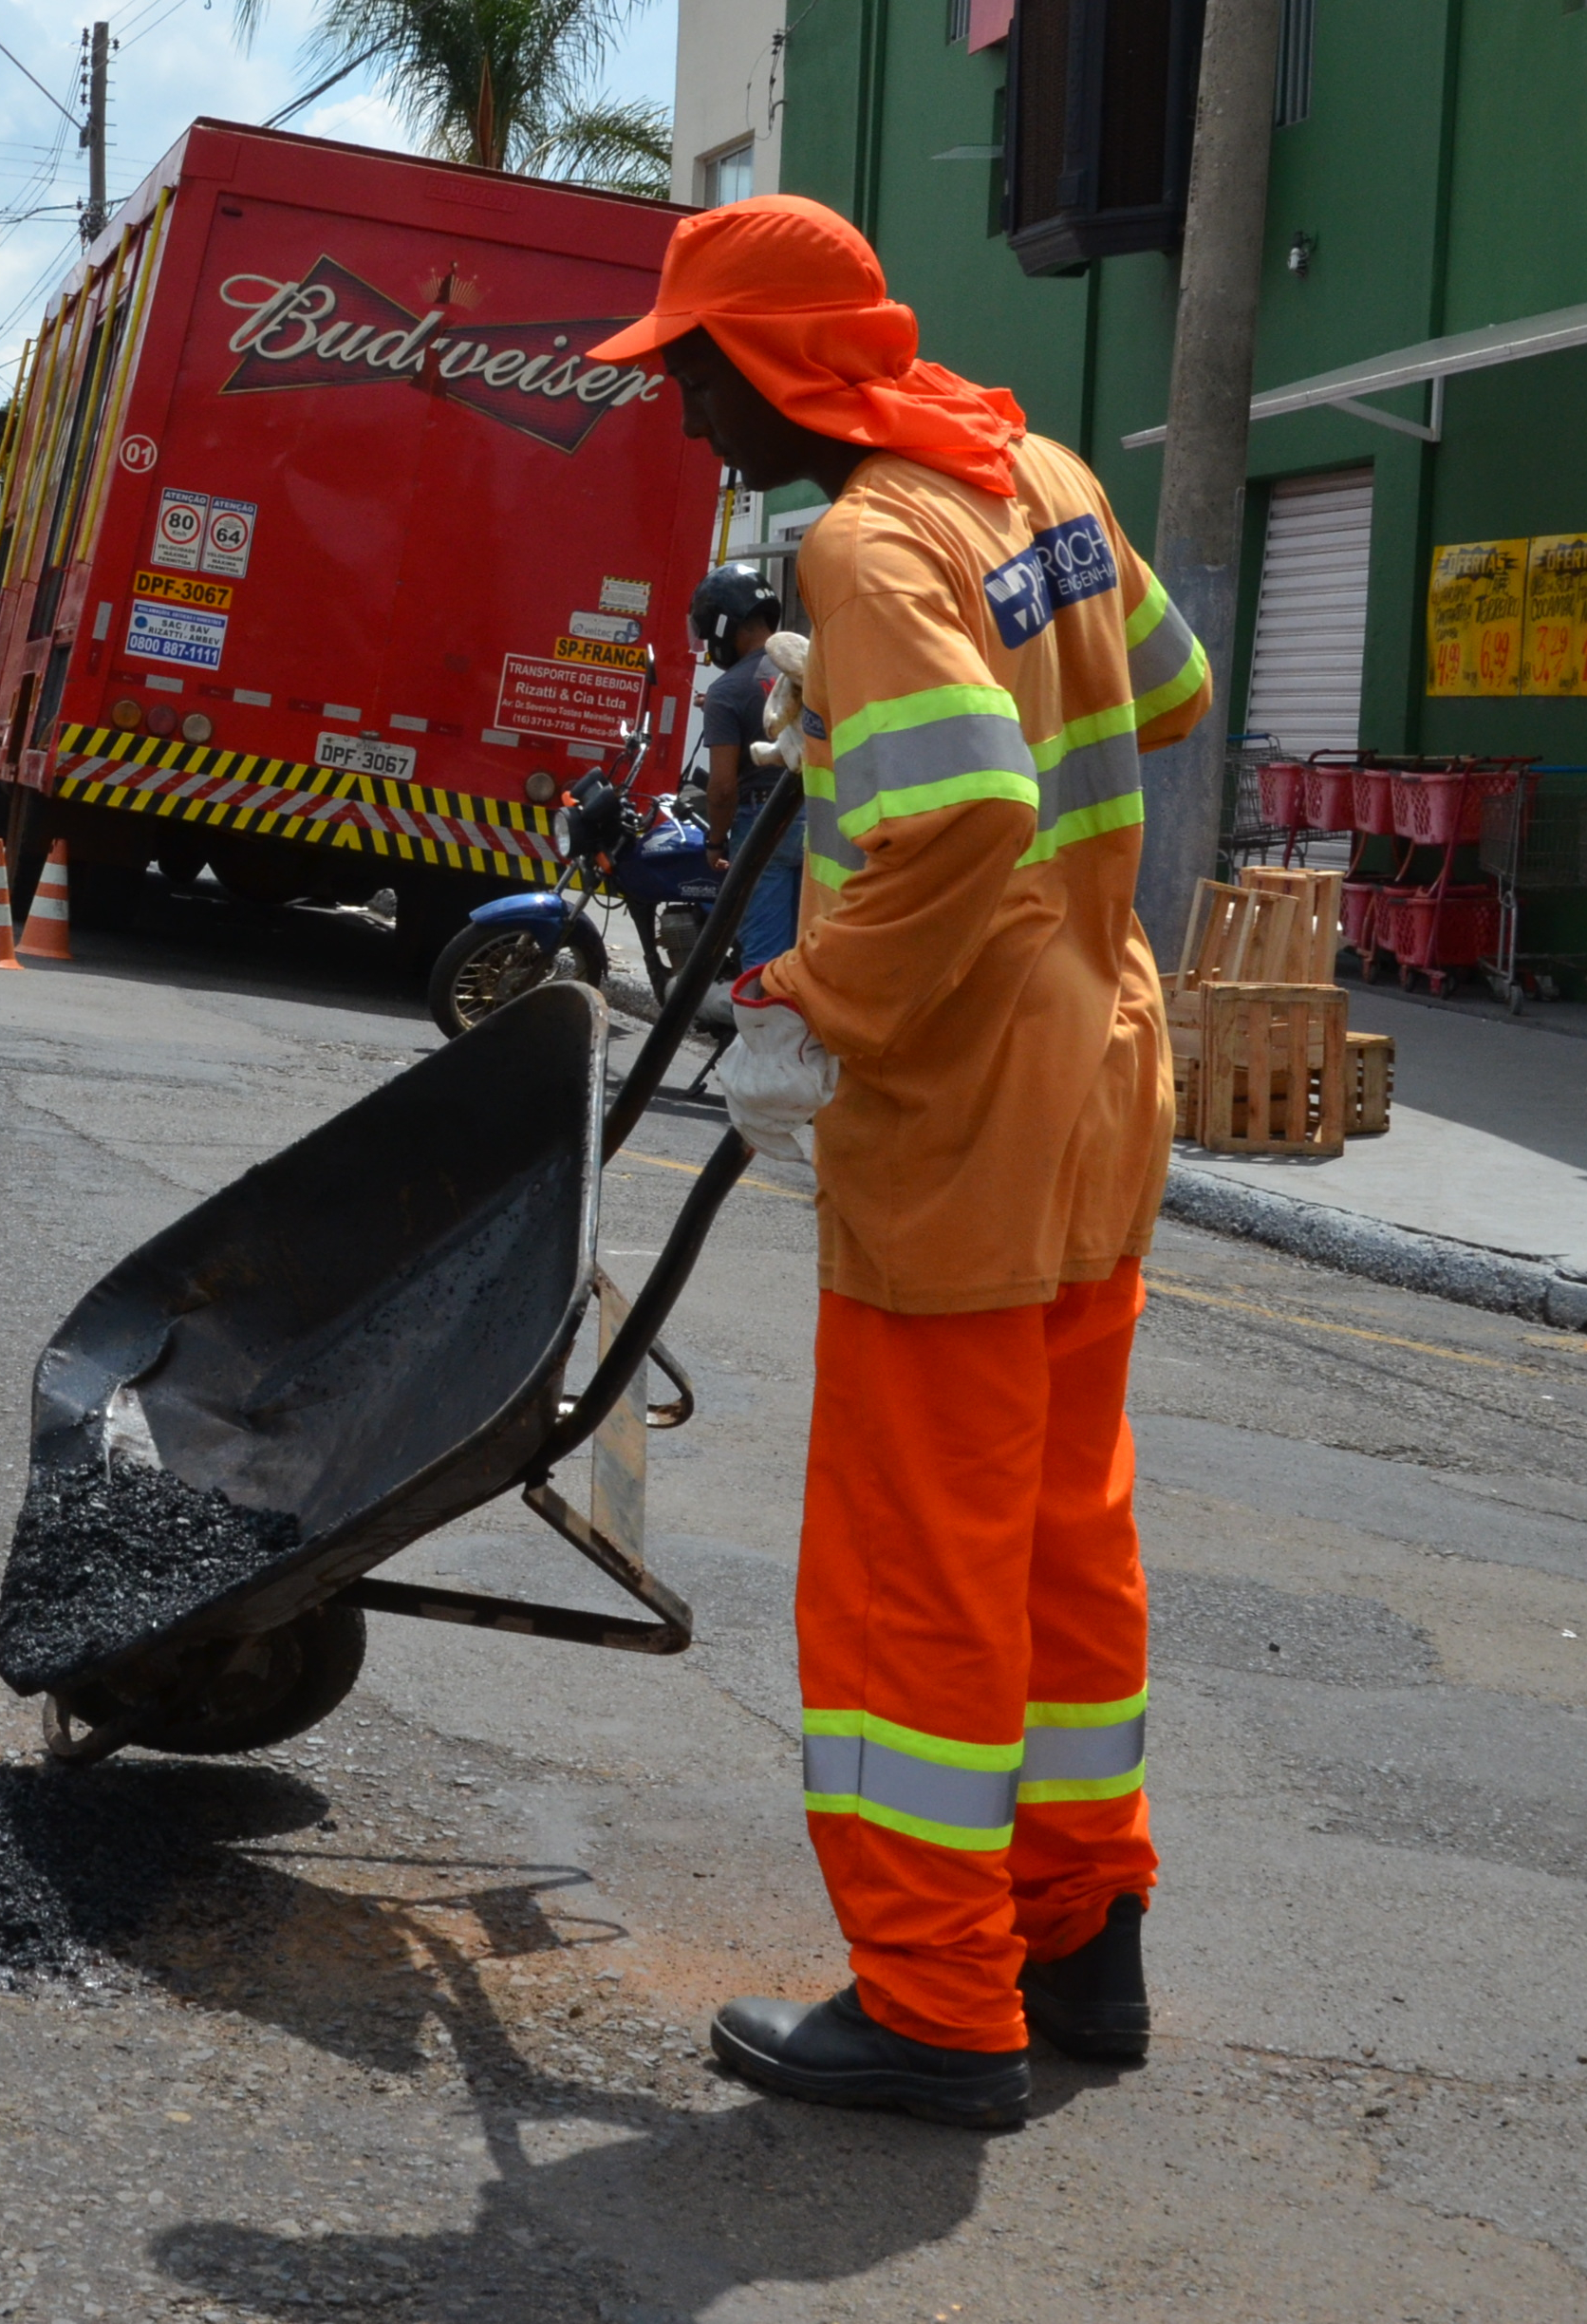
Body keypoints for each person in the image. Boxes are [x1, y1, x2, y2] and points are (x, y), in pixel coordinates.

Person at [587, 194, 1209, 2129]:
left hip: (962, 1112)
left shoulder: (867, 540)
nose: (686, 413)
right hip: (1100, 1076)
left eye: (696, 372)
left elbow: (958, 811)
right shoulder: (1039, 474)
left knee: (915, 1562)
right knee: (1064, 1535)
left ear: (779, 363)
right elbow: (1168, 693)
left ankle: (939, 2001)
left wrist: (818, 989)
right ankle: (1080, 1938)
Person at [689, 562, 805, 969]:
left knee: (763, 961)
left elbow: (722, 788)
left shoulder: (726, 691)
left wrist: (715, 842)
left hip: (762, 824)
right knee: (808, 954)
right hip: (820, 815)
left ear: (725, 627)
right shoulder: (811, 668)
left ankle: (757, 1012)